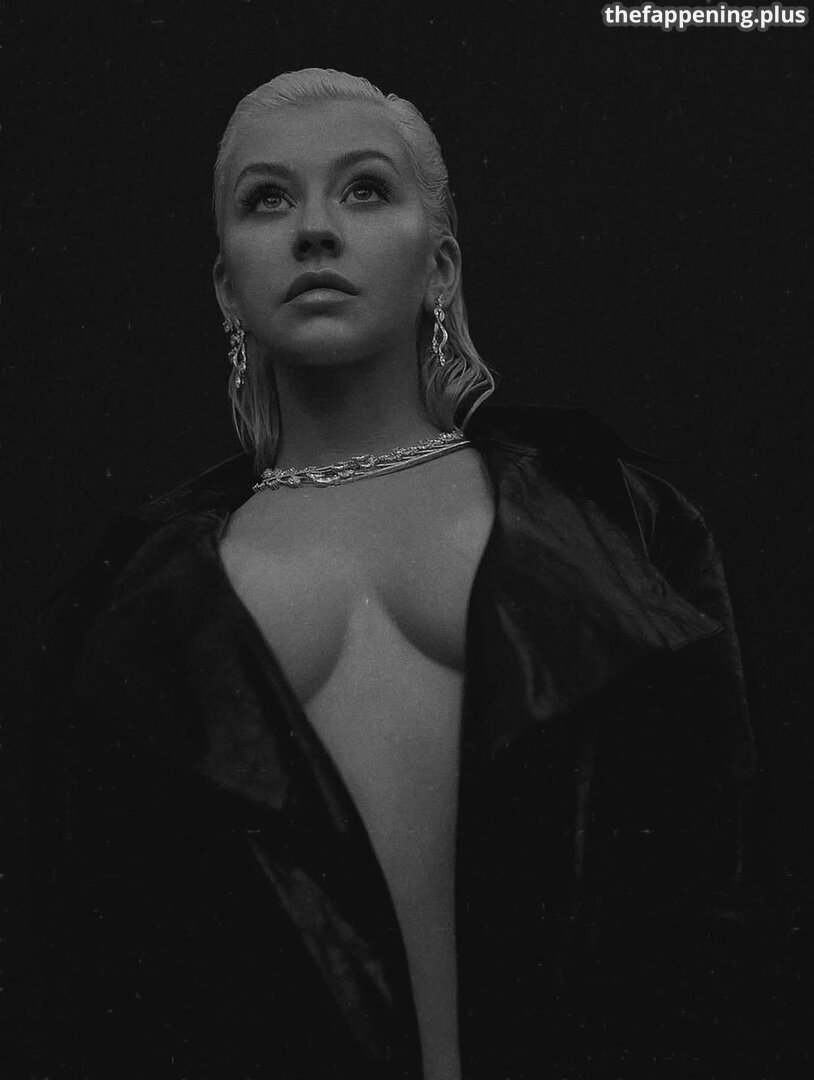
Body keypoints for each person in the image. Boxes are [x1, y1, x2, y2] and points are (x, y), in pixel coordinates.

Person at [29, 68, 775, 1079]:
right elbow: (94, 974)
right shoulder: (133, 605)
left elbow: (721, 892)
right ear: (226, 287)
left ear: (441, 264)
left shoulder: (620, 526)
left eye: (365, 189)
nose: (315, 230)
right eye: (267, 200)